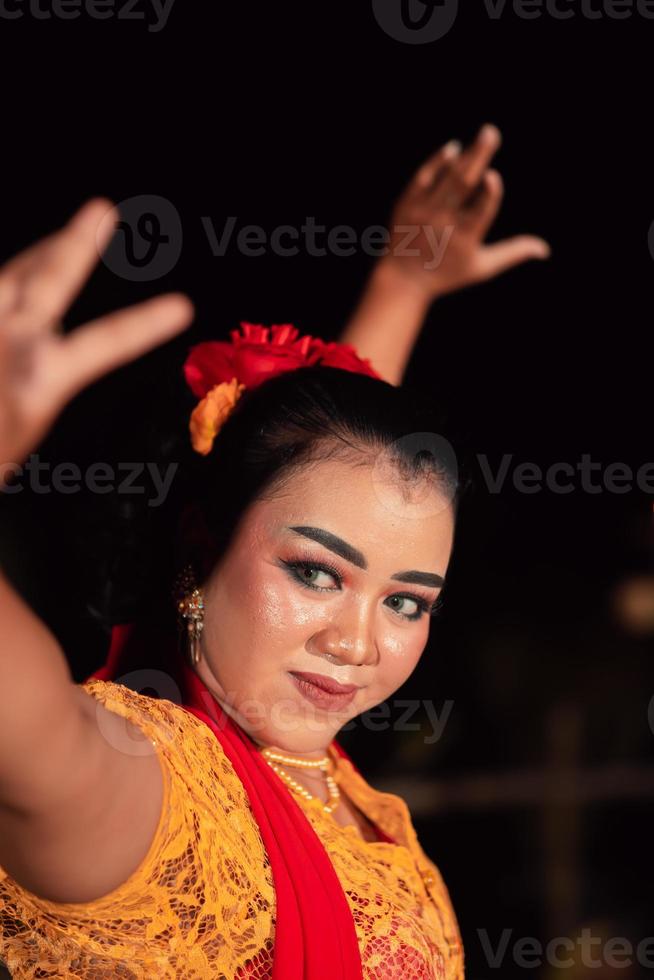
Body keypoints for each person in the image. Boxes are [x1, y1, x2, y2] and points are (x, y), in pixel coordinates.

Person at [0, 125, 548, 978]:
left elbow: (341, 478)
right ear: (201, 542)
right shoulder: (143, 795)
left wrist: (403, 284)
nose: (355, 644)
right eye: (315, 575)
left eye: (407, 600)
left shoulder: (321, 776)